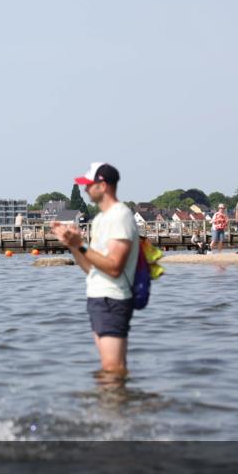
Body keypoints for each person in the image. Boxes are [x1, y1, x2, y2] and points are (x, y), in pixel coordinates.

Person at [51, 163, 139, 381]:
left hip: (113, 298)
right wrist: (73, 245)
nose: (85, 189)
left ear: (103, 185)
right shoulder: (100, 219)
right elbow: (91, 268)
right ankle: (114, 401)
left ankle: (115, 402)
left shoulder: (120, 216)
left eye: (89, 184)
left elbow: (114, 267)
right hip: (99, 298)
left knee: (112, 368)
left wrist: (80, 245)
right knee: (109, 368)